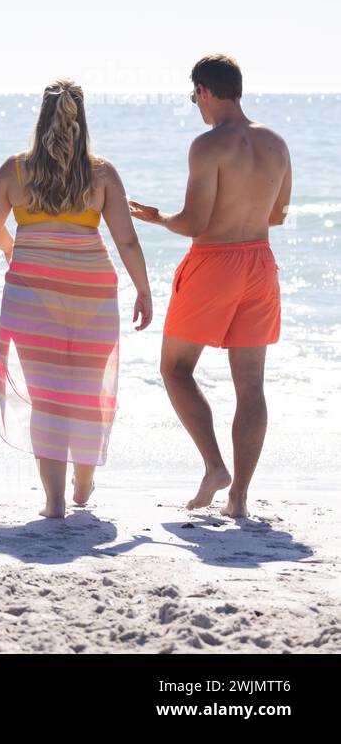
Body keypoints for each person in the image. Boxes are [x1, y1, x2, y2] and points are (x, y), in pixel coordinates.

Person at [130, 54, 291, 518]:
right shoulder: (277, 143)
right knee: (251, 384)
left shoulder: (208, 145)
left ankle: (215, 466)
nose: (196, 105)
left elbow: (195, 221)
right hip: (260, 263)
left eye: (193, 95)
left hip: (214, 262)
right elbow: (277, 215)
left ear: (204, 90)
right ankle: (239, 496)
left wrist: (156, 217)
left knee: (175, 369)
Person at [0, 79, 152, 518]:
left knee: (47, 397)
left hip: (31, 295)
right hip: (92, 293)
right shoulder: (102, 173)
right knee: (85, 393)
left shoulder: (14, 170)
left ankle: (54, 502)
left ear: (42, 117)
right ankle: (82, 487)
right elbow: (127, 241)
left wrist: (10, 247)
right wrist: (144, 289)